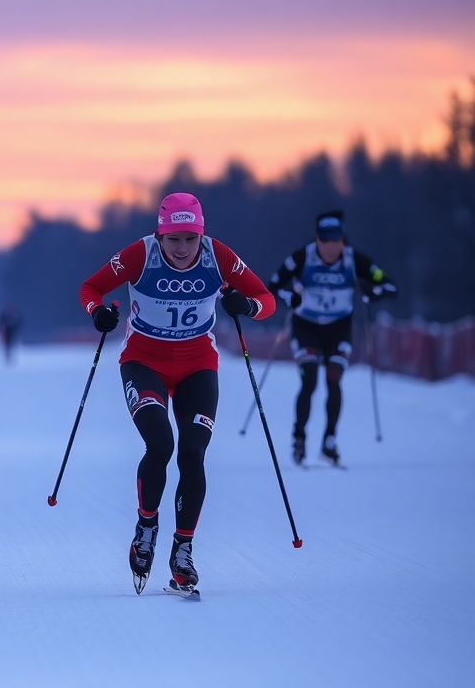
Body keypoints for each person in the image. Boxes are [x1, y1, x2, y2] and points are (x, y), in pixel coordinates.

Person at [78, 192, 275, 595]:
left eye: (190, 238)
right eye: (174, 239)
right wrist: (98, 313)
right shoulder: (140, 254)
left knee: (193, 453)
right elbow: (91, 287)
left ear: (201, 235)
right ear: (160, 235)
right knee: (160, 443)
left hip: (197, 366)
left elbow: (267, 299)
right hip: (143, 362)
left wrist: (248, 307)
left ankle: (182, 550)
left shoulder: (218, 256)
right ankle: (146, 525)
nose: (183, 248)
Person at [269, 210, 397, 467]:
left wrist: (374, 291)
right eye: (325, 241)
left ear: (342, 240)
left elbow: (389, 285)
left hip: (338, 329)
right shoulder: (302, 257)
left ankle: (329, 441)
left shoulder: (353, 259)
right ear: (317, 239)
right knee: (310, 380)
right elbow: (272, 285)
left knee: (334, 378)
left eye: (336, 240)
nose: (330, 247)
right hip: (306, 326)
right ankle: (299, 437)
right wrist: (288, 297)